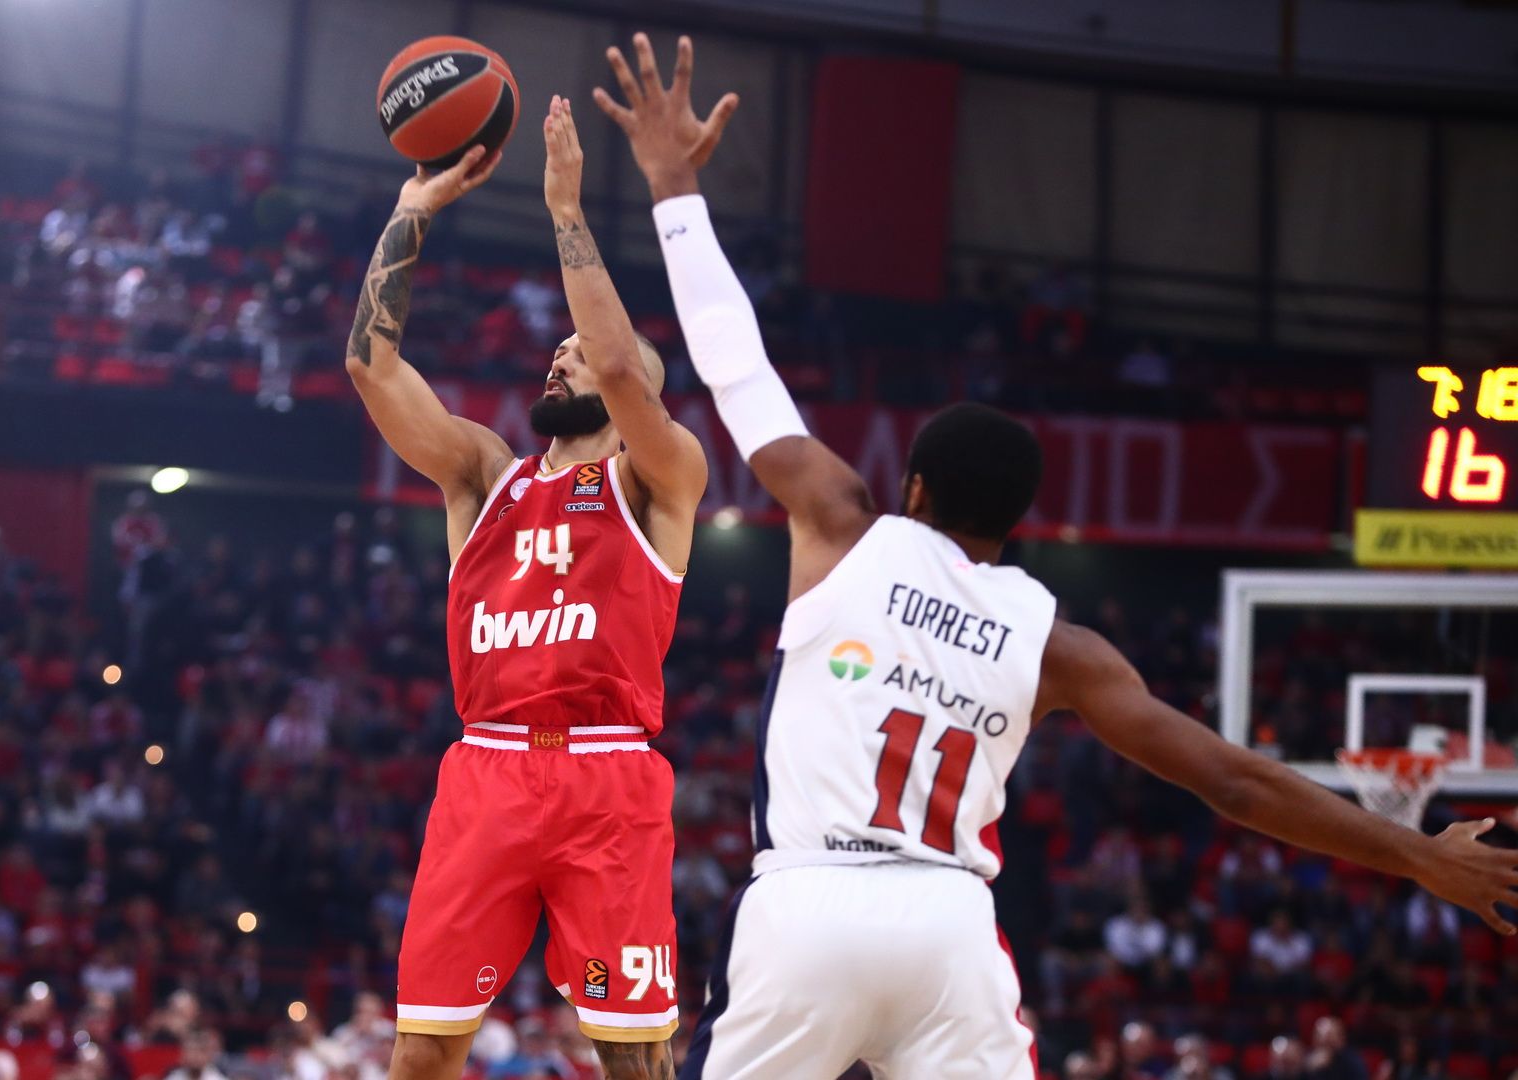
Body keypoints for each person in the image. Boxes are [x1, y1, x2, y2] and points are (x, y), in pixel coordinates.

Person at [598, 30, 1518, 1080]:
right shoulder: (1057, 647)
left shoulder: (843, 524)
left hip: (808, 902)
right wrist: (1417, 854)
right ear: (1016, 522)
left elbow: (737, 365)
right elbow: (1234, 783)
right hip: (948, 926)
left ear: (914, 489)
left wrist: (673, 185)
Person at [345, 95, 708, 1080]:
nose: (562, 353)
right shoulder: (483, 475)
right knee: (423, 1050)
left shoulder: (659, 478)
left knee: (634, 1058)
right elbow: (371, 368)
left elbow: (622, 363)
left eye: (577, 353)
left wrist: (566, 212)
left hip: (607, 777)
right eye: (559, 349)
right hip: (488, 771)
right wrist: (411, 212)